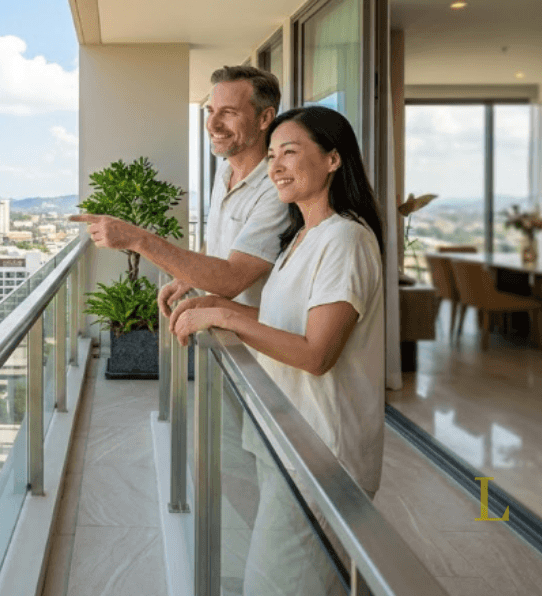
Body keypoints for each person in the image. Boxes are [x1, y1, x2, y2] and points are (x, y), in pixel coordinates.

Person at [172, 105, 385, 595]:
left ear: (333, 159)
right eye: (272, 155)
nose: (276, 166)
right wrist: (212, 304)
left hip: (322, 455)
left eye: (291, 152)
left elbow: (316, 353)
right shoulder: (301, 238)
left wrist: (224, 314)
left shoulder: (345, 239)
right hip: (288, 441)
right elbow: (280, 326)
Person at [70, 65, 289, 312]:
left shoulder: (277, 189)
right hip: (217, 333)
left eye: (228, 113)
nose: (213, 124)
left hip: (251, 346)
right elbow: (220, 242)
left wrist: (137, 238)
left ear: (264, 118)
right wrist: (188, 276)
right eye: (211, 111)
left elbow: (232, 279)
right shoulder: (226, 171)